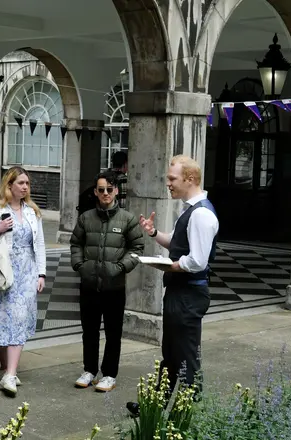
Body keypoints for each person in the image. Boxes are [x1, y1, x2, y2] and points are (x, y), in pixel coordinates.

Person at [126, 155, 218, 416]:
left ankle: (188, 417)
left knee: (187, 358)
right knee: (171, 355)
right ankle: (154, 408)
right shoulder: (191, 210)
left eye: (172, 178)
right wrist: (154, 233)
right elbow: (179, 244)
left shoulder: (201, 214)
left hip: (188, 294)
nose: (168, 183)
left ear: (190, 179)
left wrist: (169, 266)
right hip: (181, 293)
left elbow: (197, 261)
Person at [70, 171, 144, 392]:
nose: (105, 193)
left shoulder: (127, 219)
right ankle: (89, 370)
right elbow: (76, 244)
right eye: (101, 190)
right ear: (95, 192)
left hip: (114, 287)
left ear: (116, 191)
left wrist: (120, 267)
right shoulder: (86, 218)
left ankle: (110, 374)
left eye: (109, 189)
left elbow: (137, 248)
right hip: (89, 285)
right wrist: (80, 266)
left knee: (113, 333)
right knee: (89, 331)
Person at [0, 166, 46, 396]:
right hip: (3, 270)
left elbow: (39, 244)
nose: (25, 187)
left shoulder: (32, 211)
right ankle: (4, 367)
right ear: (9, 185)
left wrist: (41, 274)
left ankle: (10, 373)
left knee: (18, 319)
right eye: (21, 183)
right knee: (0, 320)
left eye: (27, 183)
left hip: (27, 271)